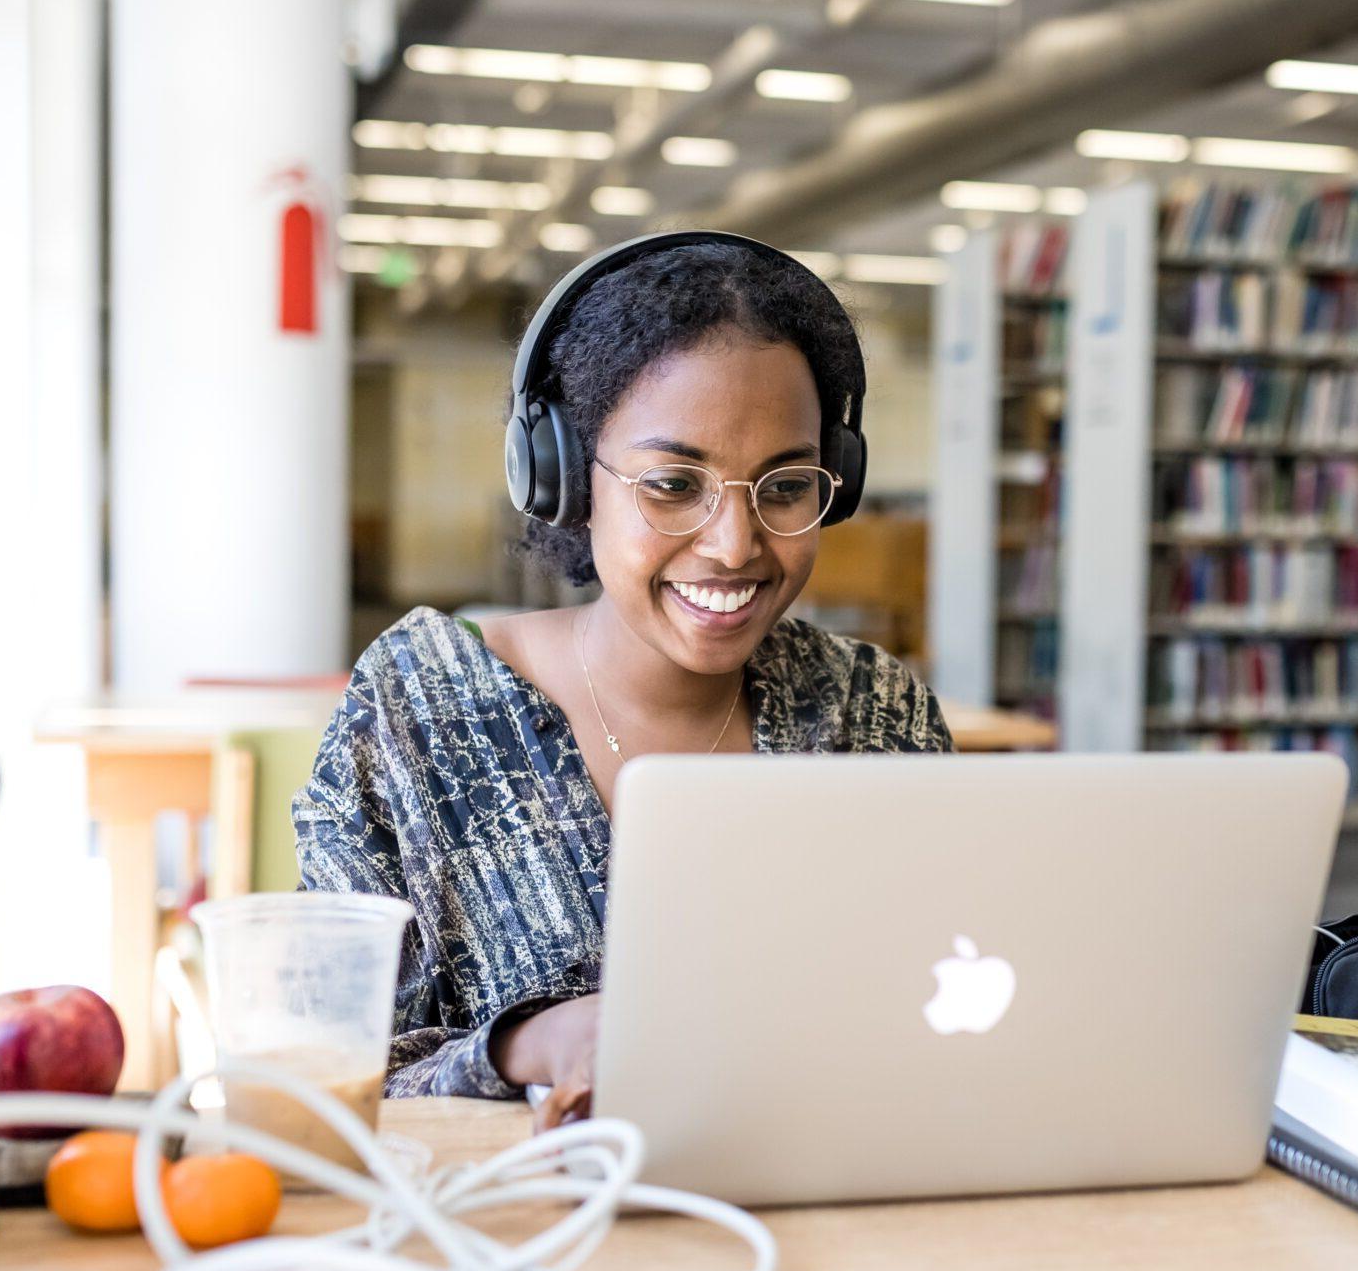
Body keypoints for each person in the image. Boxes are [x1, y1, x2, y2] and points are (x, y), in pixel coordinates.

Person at [294, 234, 953, 1127]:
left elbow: (945, 1008)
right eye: (674, 483)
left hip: (830, 1210)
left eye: (786, 486)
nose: (733, 544)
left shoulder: (875, 714)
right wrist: (524, 1044)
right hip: (510, 1238)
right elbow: (316, 1063)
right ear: (564, 479)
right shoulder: (420, 709)